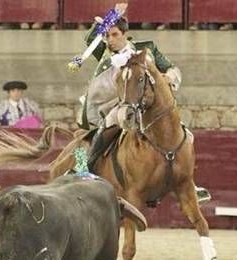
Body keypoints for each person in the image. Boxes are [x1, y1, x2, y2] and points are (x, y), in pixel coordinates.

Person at [77, 15, 209, 202]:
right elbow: (90, 39)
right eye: (107, 36)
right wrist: (107, 20)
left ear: (125, 34)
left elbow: (170, 67)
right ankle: (83, 169)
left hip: (147, 106)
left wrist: (169, 77)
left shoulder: (147, 48)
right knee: (97, 130)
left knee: (185, 135)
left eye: (114, 35)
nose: (110, 40)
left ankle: (190, 184)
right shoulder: (105, 52)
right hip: (115, 104)